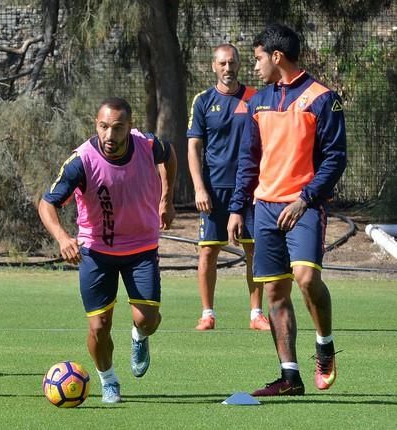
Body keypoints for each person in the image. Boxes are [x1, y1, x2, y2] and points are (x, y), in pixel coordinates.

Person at [227, 24, 346, 396]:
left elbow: (335, 160)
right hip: (264, 209)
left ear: (277, 57)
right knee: (276, 293)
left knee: (306, 279)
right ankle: (289, 377)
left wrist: (304, 199)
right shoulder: (258, 102)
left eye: (260, 57)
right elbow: (248, 160)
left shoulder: (322, 99)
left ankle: (324, 345)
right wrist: (236, 209)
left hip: (304, 207)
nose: (256, 65)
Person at [38, 97, 177, 403]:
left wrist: (167, 197)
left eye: (117, 128)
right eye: (103, 127)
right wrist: (63, 238)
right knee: (99, 326)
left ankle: (139, 338)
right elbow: (46, 204)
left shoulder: (147, 145)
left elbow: (169, 155)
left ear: (130, 126)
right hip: (97, 252)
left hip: (141, 248)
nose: (110, 135)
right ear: (95, 124)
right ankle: (108, 380)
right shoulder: (81, 161)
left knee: (148, 320)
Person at [187, 43, 270, 331]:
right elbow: (193, 147)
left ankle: (256, 314)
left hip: (249, 190)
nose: (228, 68)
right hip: (213, 192)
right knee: (208, 252)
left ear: (239, 65)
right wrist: (199, 188)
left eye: (232, 62)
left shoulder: (255, 98)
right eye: (222, 63)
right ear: (214, 66)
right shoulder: (203, 101)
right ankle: (207, 313)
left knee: (254, 251)